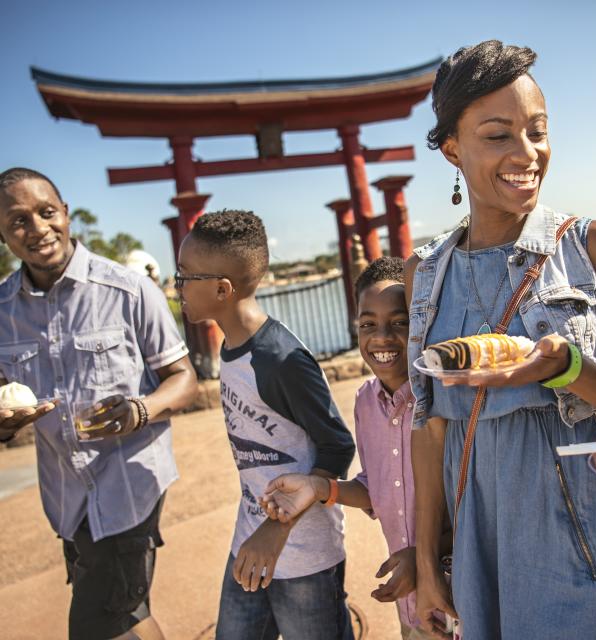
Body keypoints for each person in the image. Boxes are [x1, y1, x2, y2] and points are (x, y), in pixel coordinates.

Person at [404, 41, 596, 639]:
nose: (527, 153)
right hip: (480, 551)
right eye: (498, 135)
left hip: (588, 542)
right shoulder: (424, 276)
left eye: (537, 131)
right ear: (452, 148)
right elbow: (431, 430)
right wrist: (430, 567)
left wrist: (565, 370)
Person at [0, 167, 198, 640]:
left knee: (95, 624)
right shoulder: (1, 312)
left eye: (47, 212)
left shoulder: (130, 291)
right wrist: (6, 424)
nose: (38, 229)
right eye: (18, 221)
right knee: (128, 614)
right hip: (67, 498)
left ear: (66, 214)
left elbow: (184, 379)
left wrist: (140, 411)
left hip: (129, 486)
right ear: (3, 234)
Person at [176, 210, 356, 640]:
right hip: (250, 541)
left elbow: (337, 447)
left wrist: (276, 530)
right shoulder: (232, 346)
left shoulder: (280, 359)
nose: (176, 285)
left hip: (304, 557)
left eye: (184, 275)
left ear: (222, 289)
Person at [261, 256, 450, 639]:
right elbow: (376, 488)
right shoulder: (366, 402)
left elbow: (476, 500)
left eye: (400, 322)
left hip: (460, 592)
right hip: (412, 607)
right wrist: (319, 489)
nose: (381, 337)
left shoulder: (445, 400)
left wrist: (424, 559)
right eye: (368, 324)